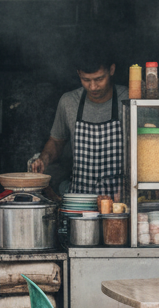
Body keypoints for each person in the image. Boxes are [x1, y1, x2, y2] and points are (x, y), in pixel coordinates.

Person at [30, 44, 129, 195]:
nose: (93, 86)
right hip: (79, 200)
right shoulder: (69, 102)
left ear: (112, 70)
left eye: (99, 79)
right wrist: (43, 159)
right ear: (78, 74)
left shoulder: (129, 100)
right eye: (86, 80)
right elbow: (57, 141)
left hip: (119, 201)